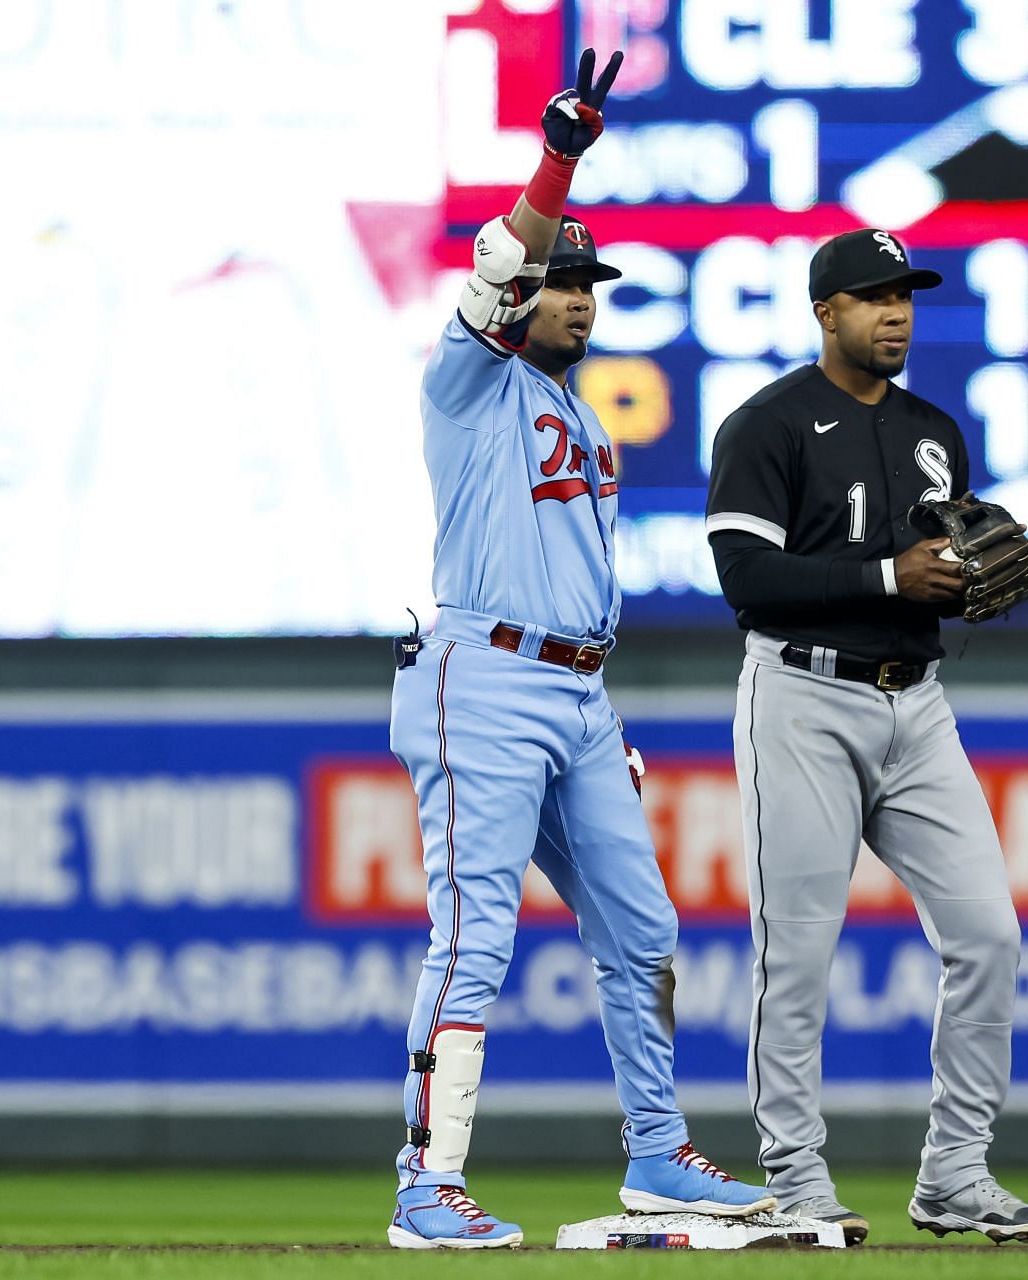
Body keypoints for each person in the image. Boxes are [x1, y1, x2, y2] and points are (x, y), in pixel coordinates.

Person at [386, 49, 773, 1250]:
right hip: (482, 676)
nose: (577, 295)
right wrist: (555, 161)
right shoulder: (469, 382)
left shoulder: (574, 407)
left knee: (643, 927)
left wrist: (590, 703)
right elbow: (499, 266)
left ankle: (657, 1153)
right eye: (560, 282)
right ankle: (425, 1182)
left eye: (589, 282)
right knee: (475, 935)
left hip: (575, 691)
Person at [701, 229, 1028, 1247]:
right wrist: (889, 576)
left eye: (905, 295)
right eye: (872, 296)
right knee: (798, 951)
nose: (895, 311)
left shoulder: (936, 428)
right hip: (802, 698)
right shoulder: (766, 423)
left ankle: (955, 1172)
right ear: (827, 311)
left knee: (989, 932)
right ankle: (797, 1177)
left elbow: (944, 561)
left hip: (919, 703)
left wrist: (961, 581)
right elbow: (747, 582)